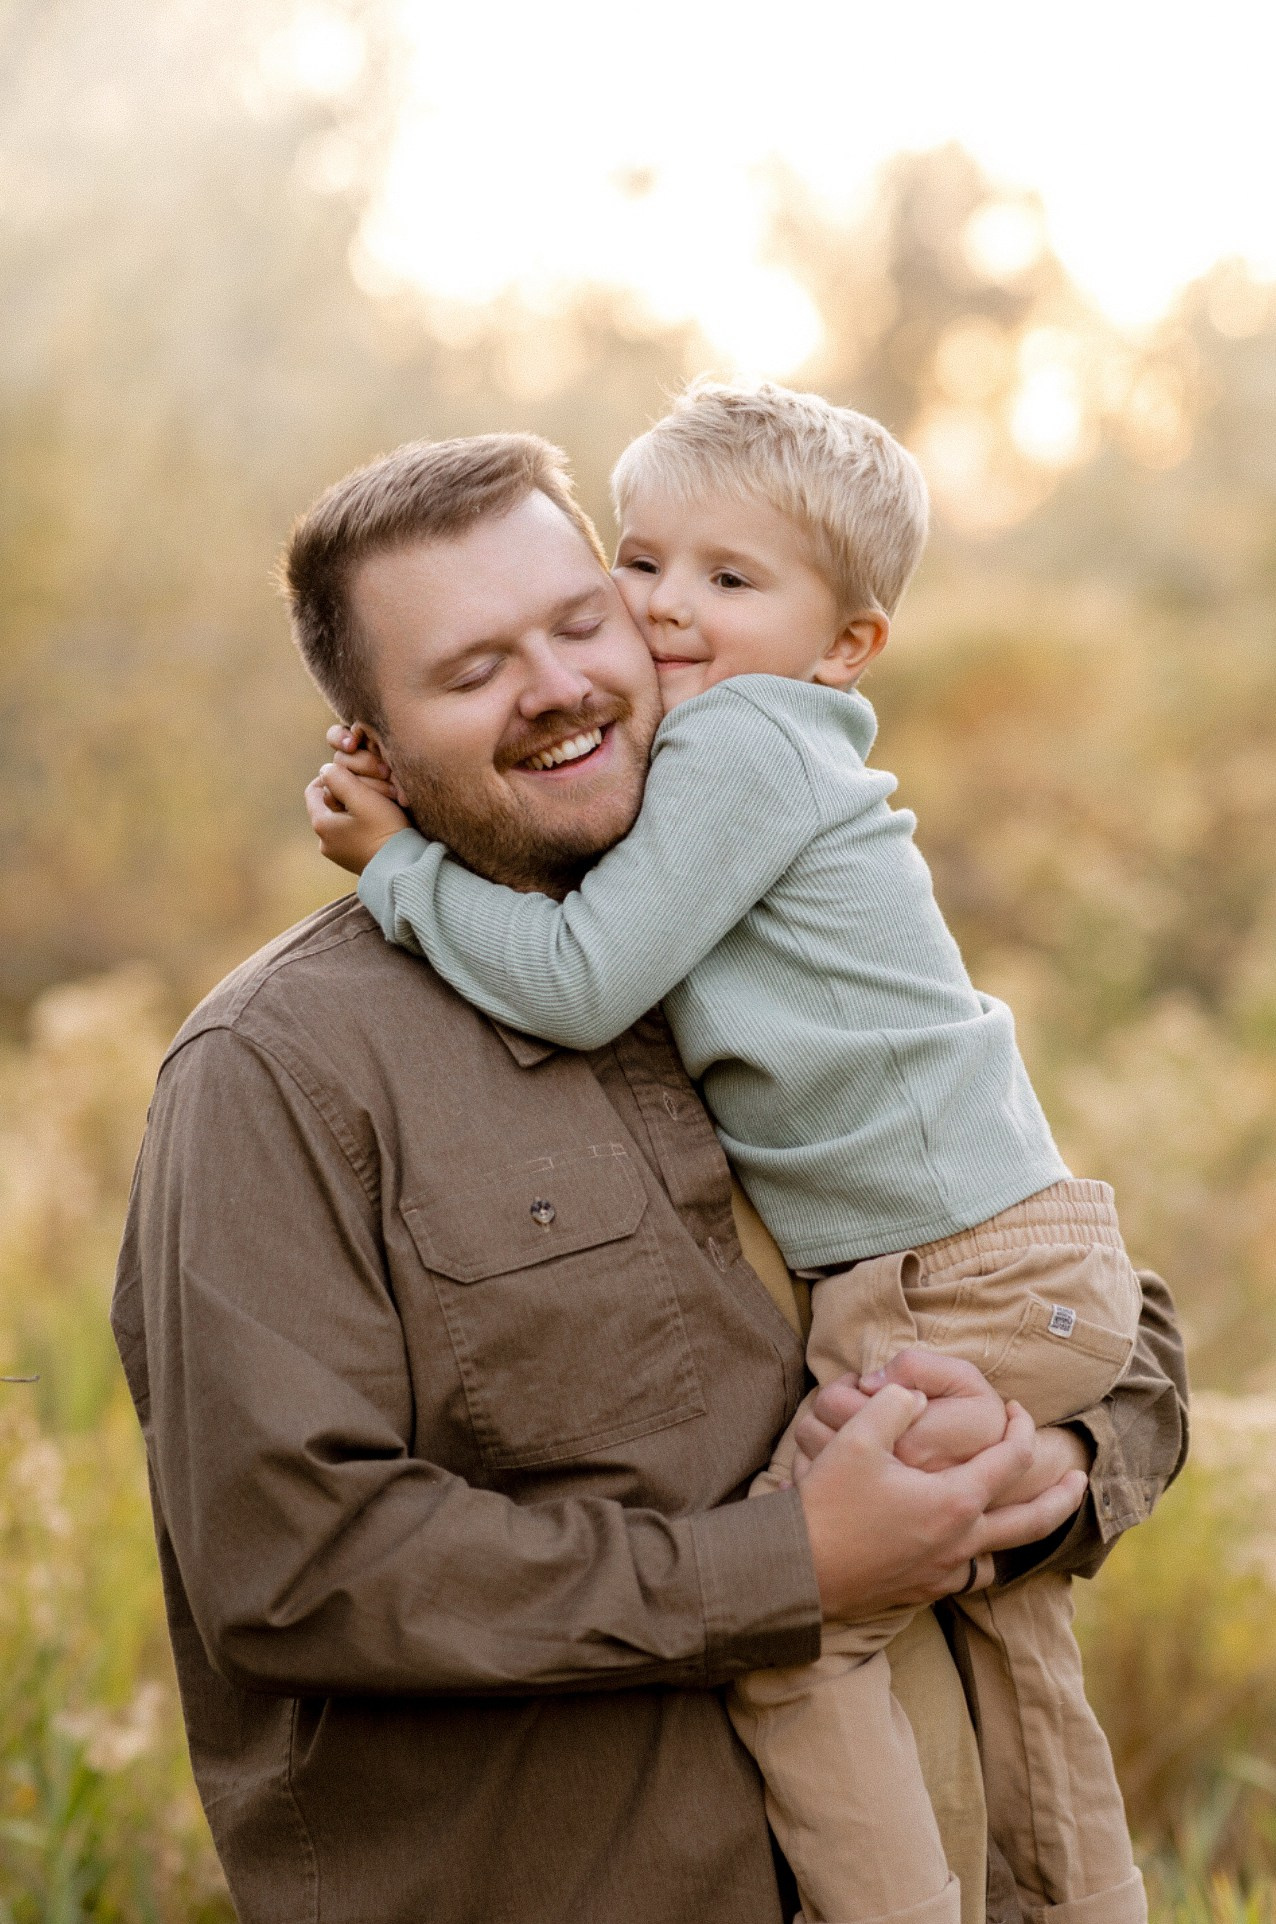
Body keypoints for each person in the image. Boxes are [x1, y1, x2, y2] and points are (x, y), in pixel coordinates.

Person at [113, 429, 1188, 1924]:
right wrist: (782, 1567)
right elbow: (289, 1567)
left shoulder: (765, 912)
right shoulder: (276, 1073)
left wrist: (1049, 1476)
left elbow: (1089, 1306)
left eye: (578, 618)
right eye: (472, 668)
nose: (557, 685)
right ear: (366, 739)